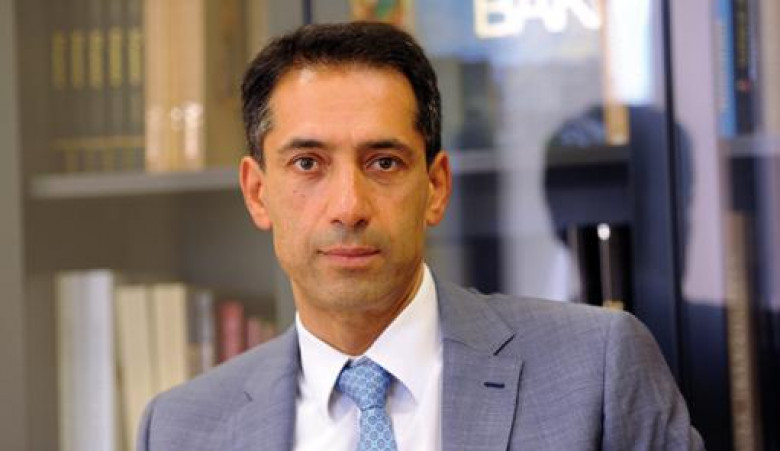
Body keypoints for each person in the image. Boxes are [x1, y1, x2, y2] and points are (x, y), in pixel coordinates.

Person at [137, 22, 704, 450]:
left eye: (383, 162)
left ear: (436, 187)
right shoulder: (179, 430)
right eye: (308, 164)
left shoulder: (596, 371)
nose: (348, 207)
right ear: (258, 192)